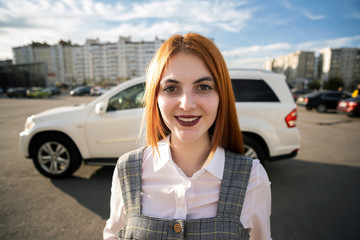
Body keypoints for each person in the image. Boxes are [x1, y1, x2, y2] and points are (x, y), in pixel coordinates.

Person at [103, 33, 272, 240]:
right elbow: (113, 234)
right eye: (171, 88)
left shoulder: (252, 178)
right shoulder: (127, 169)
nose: (187, 104)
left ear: (222, 96)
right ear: (155, 97)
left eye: (203, 87)